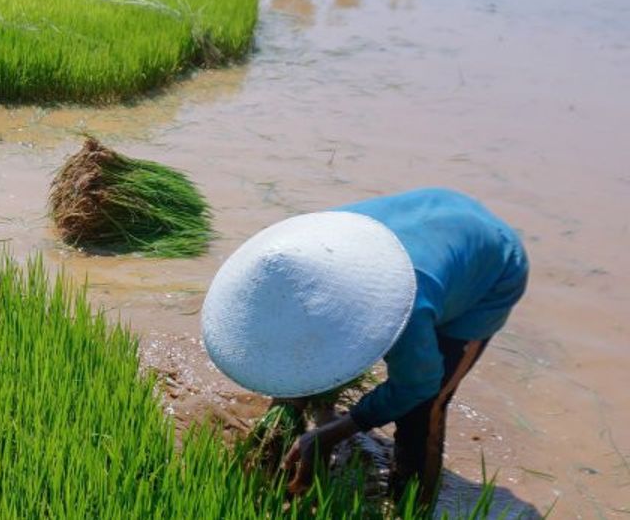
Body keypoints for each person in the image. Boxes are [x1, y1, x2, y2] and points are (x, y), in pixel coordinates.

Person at [201, 187, 529, 508]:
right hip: (436, 215)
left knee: (423, 408)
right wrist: (301, 405)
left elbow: (418, 383)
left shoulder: (409, 306)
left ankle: (413, 504)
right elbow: (302, 344)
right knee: (307, 346)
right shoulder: (314, 244)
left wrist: (333, 433)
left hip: (491, 268)